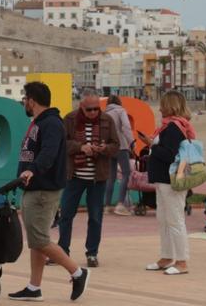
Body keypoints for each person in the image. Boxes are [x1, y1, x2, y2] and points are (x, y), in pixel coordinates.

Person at [10, 81, 89, 302]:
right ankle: (34, 287)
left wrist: (32, 171)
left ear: (32, 101)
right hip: (35, 188)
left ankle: (78, 272)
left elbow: (49, 153)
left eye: (25, 99)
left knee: (40, 240)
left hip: (43, 190)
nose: (24, 102)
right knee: (37, 239)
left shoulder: (52, 123)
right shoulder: (40, 122)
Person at [57, 89, 119, 268]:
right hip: (74, 175)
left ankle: (92, 253)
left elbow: (116, 146)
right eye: (89, 109)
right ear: (81, 106)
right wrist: (80, 147)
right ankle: (62, 252)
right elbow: (62, 143)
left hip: (97, 178)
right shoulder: (69, 119)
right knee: (66, 215)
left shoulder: (107, 120)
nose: (93, 113)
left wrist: (103, 149)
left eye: (96, 109)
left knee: (96, 217)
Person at [141, 91, 192, 276]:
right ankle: (166, 256)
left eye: (163, 105)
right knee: (164, 219)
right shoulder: (169, 127)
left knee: (175, 220)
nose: (160, 109)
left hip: (171, 180)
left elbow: (169, 155)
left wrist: (151, 145)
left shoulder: (173, 128)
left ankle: (182, 261)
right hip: (164, 180)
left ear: (170, 106)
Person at [104, 95, 134, 215]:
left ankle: (107, 206)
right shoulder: (121, 111)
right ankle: (120, 204)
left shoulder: (105, 113)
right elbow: (126, 127)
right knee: (126, 173)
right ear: (119, 102)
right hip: (121, 146)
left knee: (111, 177)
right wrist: (131, 141)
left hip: (109, 147)